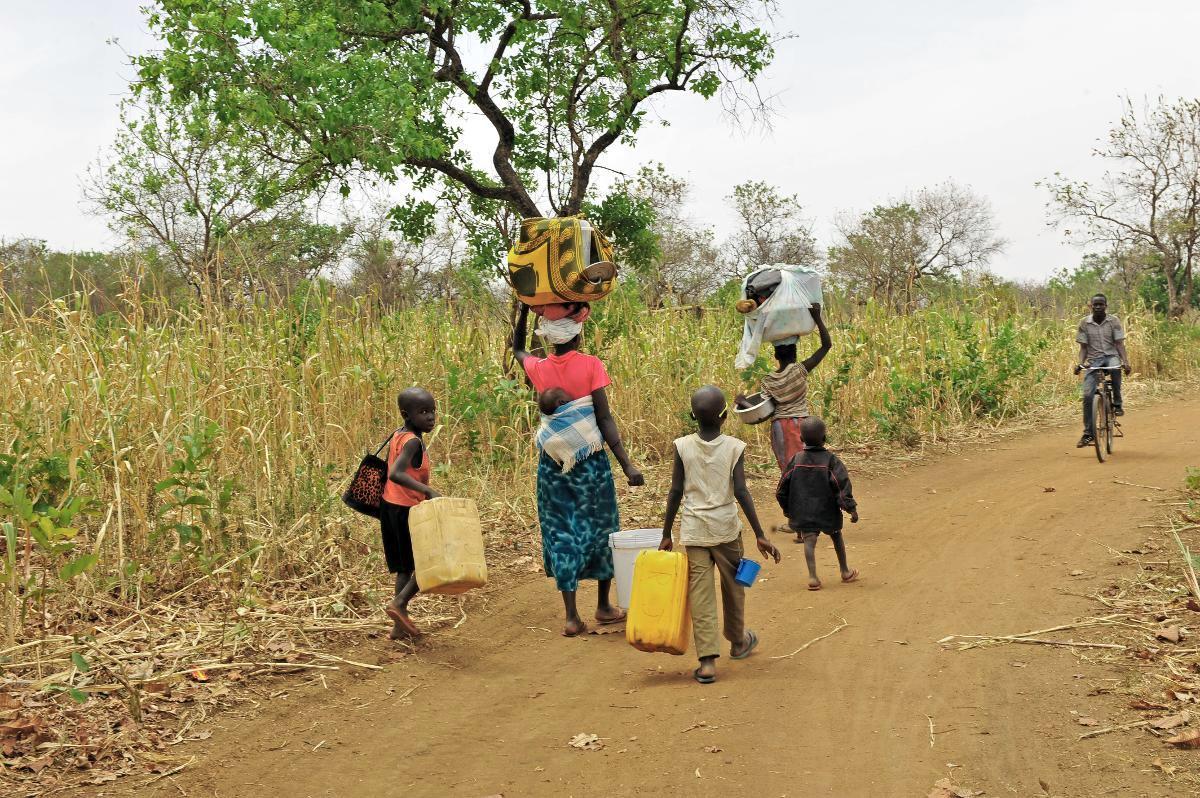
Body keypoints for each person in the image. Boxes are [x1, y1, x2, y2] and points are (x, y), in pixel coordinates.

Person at [512, 303, 644, 637]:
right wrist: (626, 464)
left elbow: (517, 349)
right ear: (578, 332)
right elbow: (604, 419)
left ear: (549, 336)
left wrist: (526, 312)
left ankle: (571, 616)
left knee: (561, 532)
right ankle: (602, 606)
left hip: (552, 465)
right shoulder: (590, 365)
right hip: (590, 465)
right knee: (601, 529)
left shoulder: (539, 369)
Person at [659, 385, 781, 684]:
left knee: (700, 594)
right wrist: (760, 533)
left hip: (695, 530)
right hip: (726, 529)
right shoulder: (734, 447)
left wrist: (666, 534)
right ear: (726, 416)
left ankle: (708, 662)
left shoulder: (682, 446)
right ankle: (738, 641)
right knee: (734, 587)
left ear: (692, 416)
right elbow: (740, 491)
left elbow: (675, 492)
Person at [380, 387, 441, 639]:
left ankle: (398, 627)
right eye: (423, 412)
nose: (430, 417)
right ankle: (400, 603)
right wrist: (428, 491)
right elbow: (395, 473)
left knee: (405, 567)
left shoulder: (400, 434)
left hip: (390, 507)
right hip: (405, 511)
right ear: (407, 415)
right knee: (427, 562)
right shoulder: (413, 442)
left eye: (433, 411)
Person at [776, 416, 859, 591]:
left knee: (809, 541)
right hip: (828, 511)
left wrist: (789, 510)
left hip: (803, 511)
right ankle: (845, 571)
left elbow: (782, 488)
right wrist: (850, 508)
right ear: (825, 438)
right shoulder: (831, 460)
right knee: (836, 536)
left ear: (801, 439)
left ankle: (813, 577)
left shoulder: (796, 460)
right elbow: (841, 485)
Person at [1073, 293, 1130, 448]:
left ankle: (1117, 404)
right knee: (1087, 395)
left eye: (1101, 304)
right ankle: (1088, 434)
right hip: (1094, 360)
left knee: (1116, 368)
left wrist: (1125, 362)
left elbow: (1119, 344)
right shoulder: (1084, 323)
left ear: (1106, 306)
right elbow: (1083, 347)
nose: (1098, 307)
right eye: (1095, 304)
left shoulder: (1114, 321)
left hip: (1111, 355)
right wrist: (1080, 364)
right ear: (1090, 306)